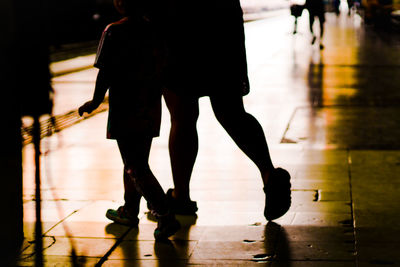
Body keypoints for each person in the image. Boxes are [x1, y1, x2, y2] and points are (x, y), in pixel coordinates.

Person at [159, 0, 292, 221]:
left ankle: (181, 195)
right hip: (221, 22)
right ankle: (269, 173)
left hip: (178, 23)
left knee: (182, 115)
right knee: (231, 112)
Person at [78, 0, 180, 240]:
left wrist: (94, 102)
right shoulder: (155, 30)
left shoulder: (113, 31)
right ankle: (129, 210)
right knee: (136, 161)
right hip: (150, 106)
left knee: (135, 165)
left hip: (125, 107)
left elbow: (105, 71)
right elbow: (165, 67)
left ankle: (165, 214)